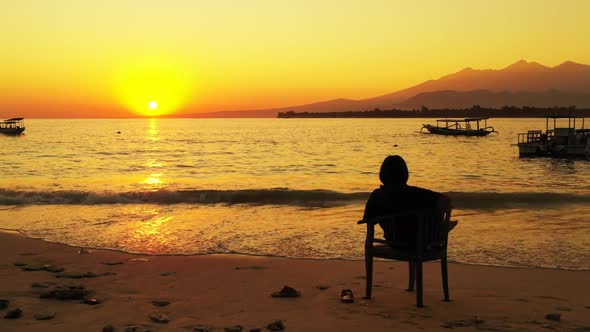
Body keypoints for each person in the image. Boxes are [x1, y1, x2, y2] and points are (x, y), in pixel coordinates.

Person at [363, 155, 452, 239]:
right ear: (404, 173)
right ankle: (438, 229)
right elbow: (446, 200)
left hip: (394, 242)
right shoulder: (415, 192)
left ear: (382, 173)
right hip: (420, 242)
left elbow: (368, 220)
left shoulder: (377, 195)